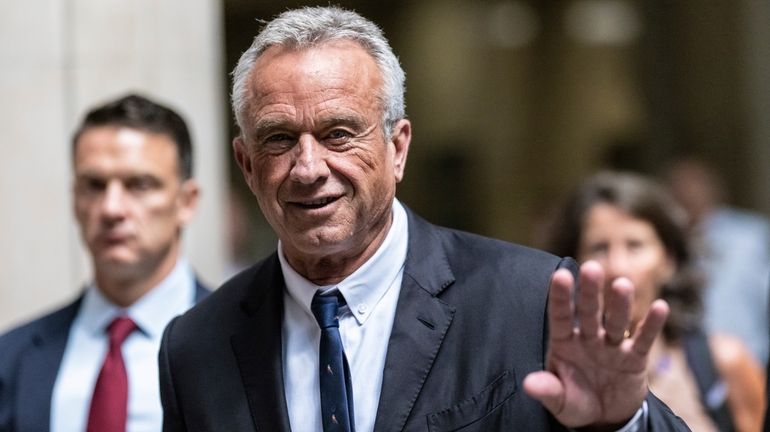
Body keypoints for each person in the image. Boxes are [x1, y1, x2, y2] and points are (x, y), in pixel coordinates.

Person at [158, 7, 689, 431]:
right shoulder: (196, 346)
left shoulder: (531, 303)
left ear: (397, 148)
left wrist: (621, 422)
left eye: (339, 133)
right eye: (278, 139)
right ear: (246, 166)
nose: (309, 168)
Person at [0, 93, 211, 432]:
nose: (111, 208)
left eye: (139, 184)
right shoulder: (12, 357)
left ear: (186, 202)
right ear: (74, 199)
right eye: (94, 185)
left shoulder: (245, 343)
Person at [546, 171, 765, 431]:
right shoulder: (558, 374)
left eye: (635, 245)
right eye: (599, 248)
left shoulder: (722, 363)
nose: (618, 266)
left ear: (669, 259)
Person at [666, 156, 770, 365]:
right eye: (680, 187)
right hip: (694, 364)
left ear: (714, 189)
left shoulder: (750, 234)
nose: (689, 193)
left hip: (752, 355)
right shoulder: (665, 242)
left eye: (696, 184)